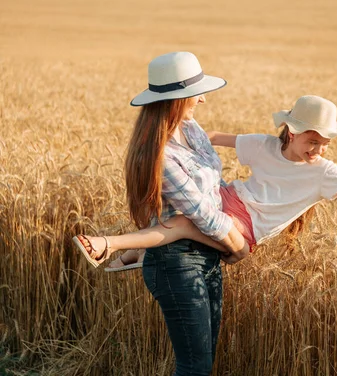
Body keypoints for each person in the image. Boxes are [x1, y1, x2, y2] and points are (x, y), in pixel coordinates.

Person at [73, 95, 337, 274]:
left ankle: (113, 246)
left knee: (184, 226)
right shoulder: (264, 145)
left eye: (325, 142)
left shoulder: (325, 172)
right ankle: (133, 255)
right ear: (292, 132)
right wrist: (165, 132)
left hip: (244, 230)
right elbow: (214, 138)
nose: (319, 148)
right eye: (313, 140)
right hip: (225, 197)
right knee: (179, 215)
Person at [72, 51, 249, 376]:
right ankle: (123, 247)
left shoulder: (191, 128)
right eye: (196, 93)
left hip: (208, 256)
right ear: (176, 99)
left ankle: (129, 248)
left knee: (203, 364)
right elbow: (201, 213)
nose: (204, 100)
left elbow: (213, 185)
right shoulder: (160, 154)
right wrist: (236, 244)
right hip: (176, 264)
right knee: (194, 367)